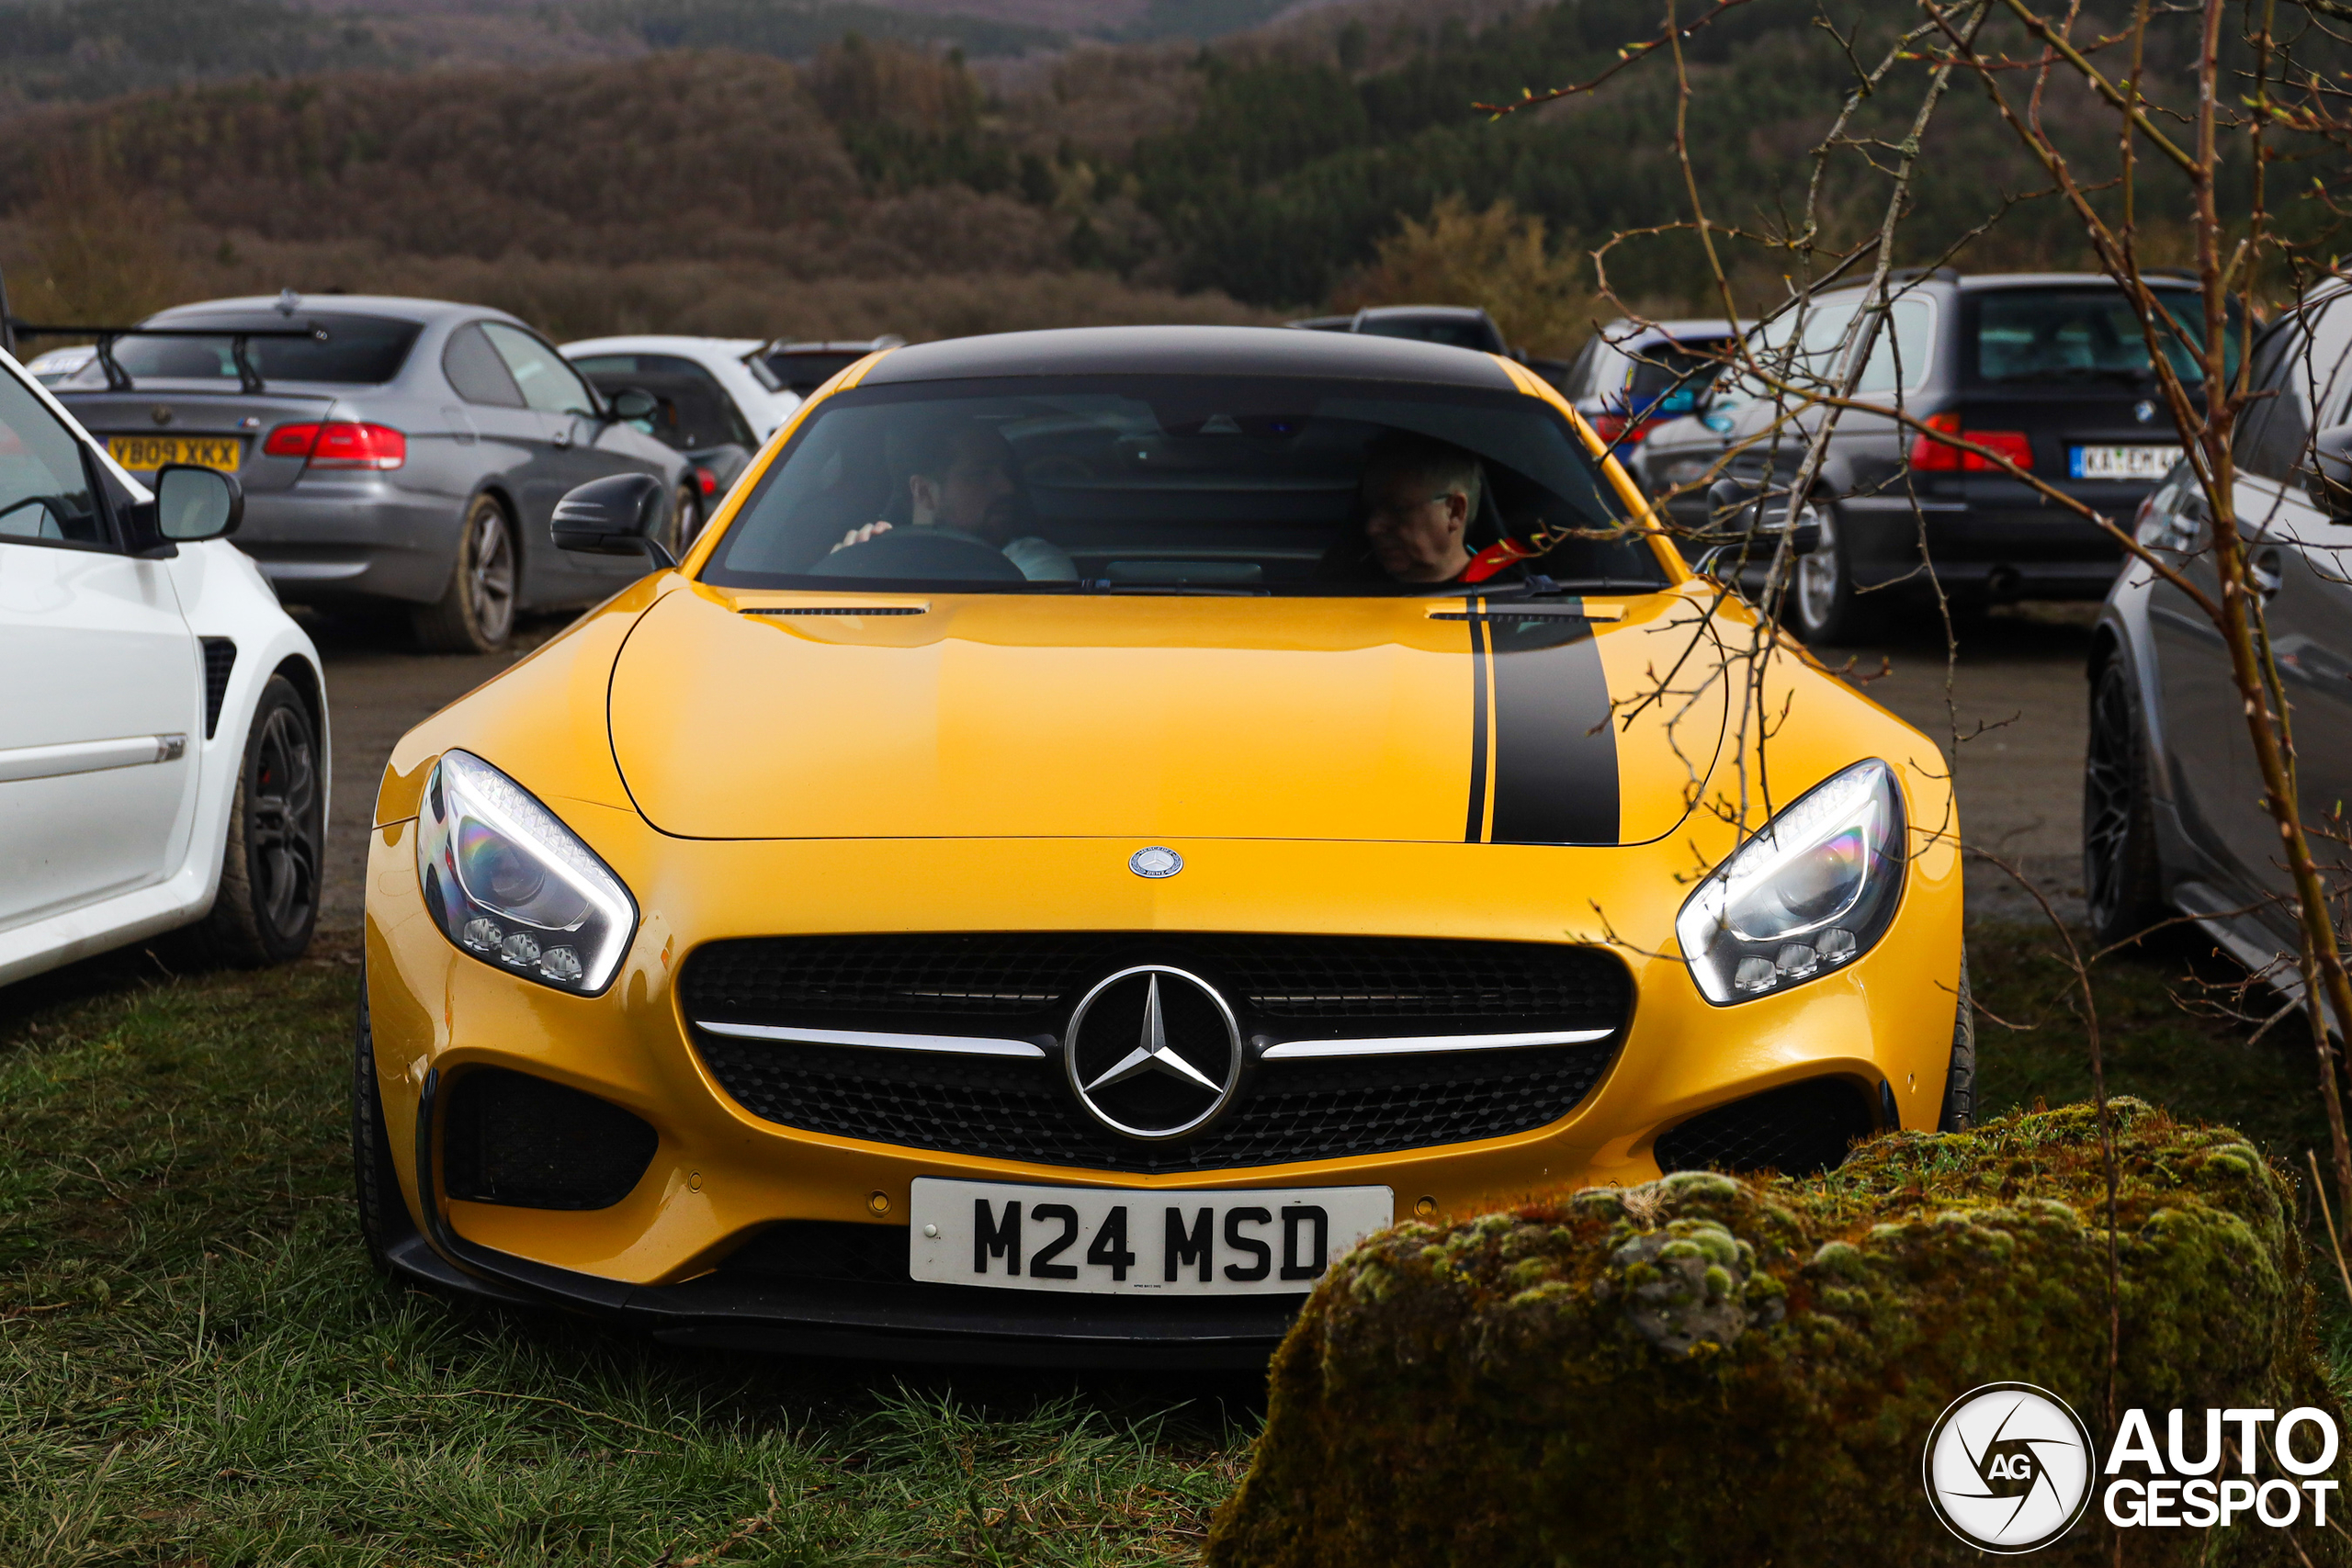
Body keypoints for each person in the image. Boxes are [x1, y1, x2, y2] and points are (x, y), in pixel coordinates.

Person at [831, 417, 1074, 581]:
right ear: (924, 492)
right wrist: (847, 568)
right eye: (980, 475)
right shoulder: (872, 558)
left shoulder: (1032, 564)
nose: (1007, 487)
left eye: (1006, 472)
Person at [1336, 431, 1488, 585]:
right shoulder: (1342, 593)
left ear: (1455, 511)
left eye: (1397, 509)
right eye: (1369, 508)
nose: (1372, 527)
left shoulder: (1500, 600)